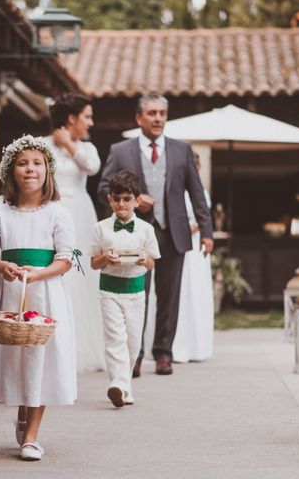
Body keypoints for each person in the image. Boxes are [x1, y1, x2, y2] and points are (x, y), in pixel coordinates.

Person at [97, 93, 213, 376]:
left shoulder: (181, 150)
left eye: (162, 113)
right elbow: (102, 188)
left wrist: (206, 231)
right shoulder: (121, 150)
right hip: (135, 235)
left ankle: (163, 353)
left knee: (169, 297)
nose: (158, 118)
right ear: (139, 118)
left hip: (173, 233)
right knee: (137, 295)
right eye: (152, 113)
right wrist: (133, 201)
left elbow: (197, 193)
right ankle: (134, 354)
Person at [0, 135, 76, 461]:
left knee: (40, 359)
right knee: (15, 358)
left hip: (45, 291)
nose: (30, 169)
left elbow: (66, 259)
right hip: (10, 291)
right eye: (22, 163)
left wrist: (38, 273)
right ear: (10, 171)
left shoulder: (58, 213)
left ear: (48, 171)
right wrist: (3, 266)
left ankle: (31, 435)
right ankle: (22, 411)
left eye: (37, 163)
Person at [44, 92, 106, 373]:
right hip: (50, 212)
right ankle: (51, 344)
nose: (91, 123)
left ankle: (82, 347)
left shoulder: (87, 148)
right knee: (54, 274)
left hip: (79, 212)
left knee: (80, 277)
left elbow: (92, 168)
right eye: (87, 117)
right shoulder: (43, 146)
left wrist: (68, 143)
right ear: (72, 118)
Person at [88, 171, 160, 407]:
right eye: (117, 199)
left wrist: (143, 259)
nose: (122, 204)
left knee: (133, 343)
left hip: (136, 292)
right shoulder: (101, 228)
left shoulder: (146, 230)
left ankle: (125, 387)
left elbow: (152, 262)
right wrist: (105, 258)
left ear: (137, 201)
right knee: (114, 339)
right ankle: (117, 384)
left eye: (127, 199)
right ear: (110, 200)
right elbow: (93, 262)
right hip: (109, 291)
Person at [145, 155, 214, 362]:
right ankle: (166, 344)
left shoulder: (201, 192)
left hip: (192, 250)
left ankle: (192, 346)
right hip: (171, 246)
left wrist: (189, 229)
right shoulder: (169, 190)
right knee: (170, 296)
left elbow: (202, 218)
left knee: (193, 296)